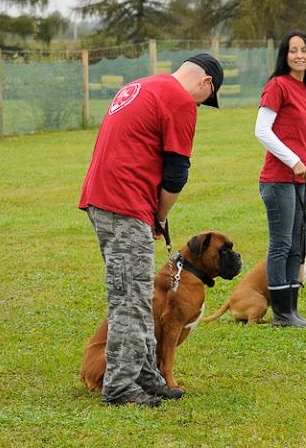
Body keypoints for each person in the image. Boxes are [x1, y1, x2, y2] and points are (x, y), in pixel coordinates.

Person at [78, 53, 224, 407]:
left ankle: (146, 375)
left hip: (102, 199)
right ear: (205, 82)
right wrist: (159, 215)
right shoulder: (180, 100)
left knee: (139, 293)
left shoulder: (140, 85)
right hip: (125, 203)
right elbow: (176, 172)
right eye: (209, 98)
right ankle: (120, 386)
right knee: (129, 299)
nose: (202, 106)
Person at [255, 30, 306, 327]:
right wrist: (292, 160)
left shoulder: (305, 89)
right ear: (284, 56)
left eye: (304, 50)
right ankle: (282, 314)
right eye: (293, 50)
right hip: (278, 179)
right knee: (282, 244)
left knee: (299, 244)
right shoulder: (278, 86)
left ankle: (292, 310)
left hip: (299, 179)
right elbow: (262, 130)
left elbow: (305, 131)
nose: (299, 55)